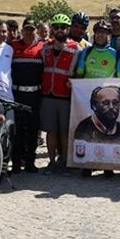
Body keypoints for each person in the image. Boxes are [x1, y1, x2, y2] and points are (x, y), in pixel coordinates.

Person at [75, 20, 120, 177]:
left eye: (104, 32)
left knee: (109, 129)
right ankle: (87, 164)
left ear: (109, 35)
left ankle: (107, 166)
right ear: (94, 34)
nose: (101, 35)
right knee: (90, 130)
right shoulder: (86, 53)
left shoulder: (116, 55)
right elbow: (80, 74)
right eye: (98, 32)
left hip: (107, 98)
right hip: (89, 98)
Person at [40, 14, 82, 176]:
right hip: (48, 95)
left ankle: (64, 162)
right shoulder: (45, 47)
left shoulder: (76, 48)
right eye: (56, 27)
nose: (59, 30)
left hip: (65, 95)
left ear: (68, 28)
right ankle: (51, 162)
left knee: (64, 132)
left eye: (63, 27)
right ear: (52, 28)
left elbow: (80, 72)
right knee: (51, 131)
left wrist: (75, 81)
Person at [10, 18, 44, 174]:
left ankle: (30, 162)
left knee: (32, 129)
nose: (29, 32)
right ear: (22, 30)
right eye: (27, 29)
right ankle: (16, 163)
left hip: (35, 94)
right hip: (17, 94)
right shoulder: (13, 46)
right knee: (18, 130)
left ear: (36, 30)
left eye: (32, 29)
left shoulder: (42, 47)